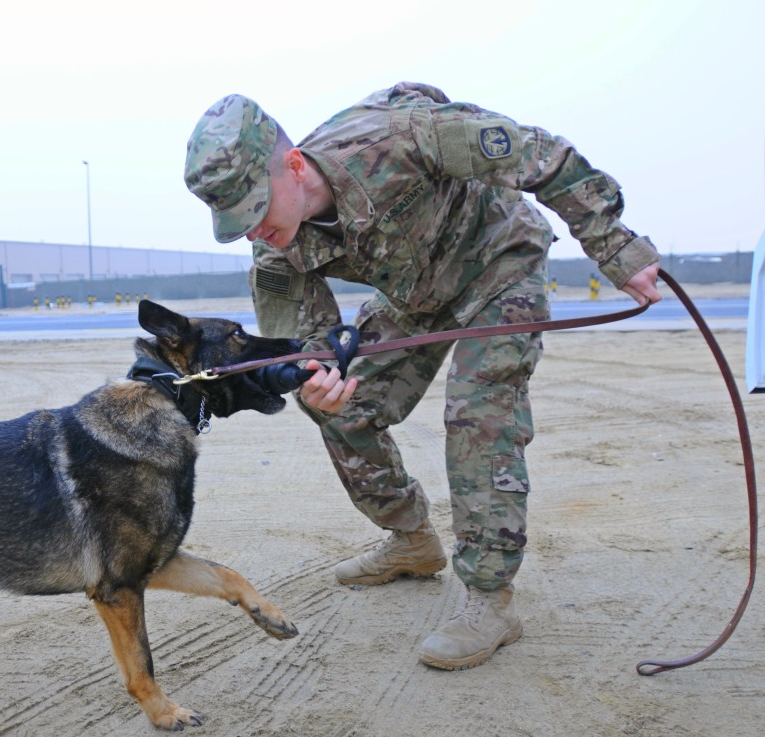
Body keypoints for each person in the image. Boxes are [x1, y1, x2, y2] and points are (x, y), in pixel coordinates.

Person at [183, 84, 661, 670]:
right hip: (415, 297)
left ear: (295, 166)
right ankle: (412, 540)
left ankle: (489, 599)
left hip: (499, 264)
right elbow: (307, 342)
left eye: (256, 208)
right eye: (236, 222)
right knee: (342, 407)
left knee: (479, 413)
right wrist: (316, 377)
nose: (253, 230)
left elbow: (543, 155)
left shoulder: (397, 135)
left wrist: (615, 246)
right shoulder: (276, 250)